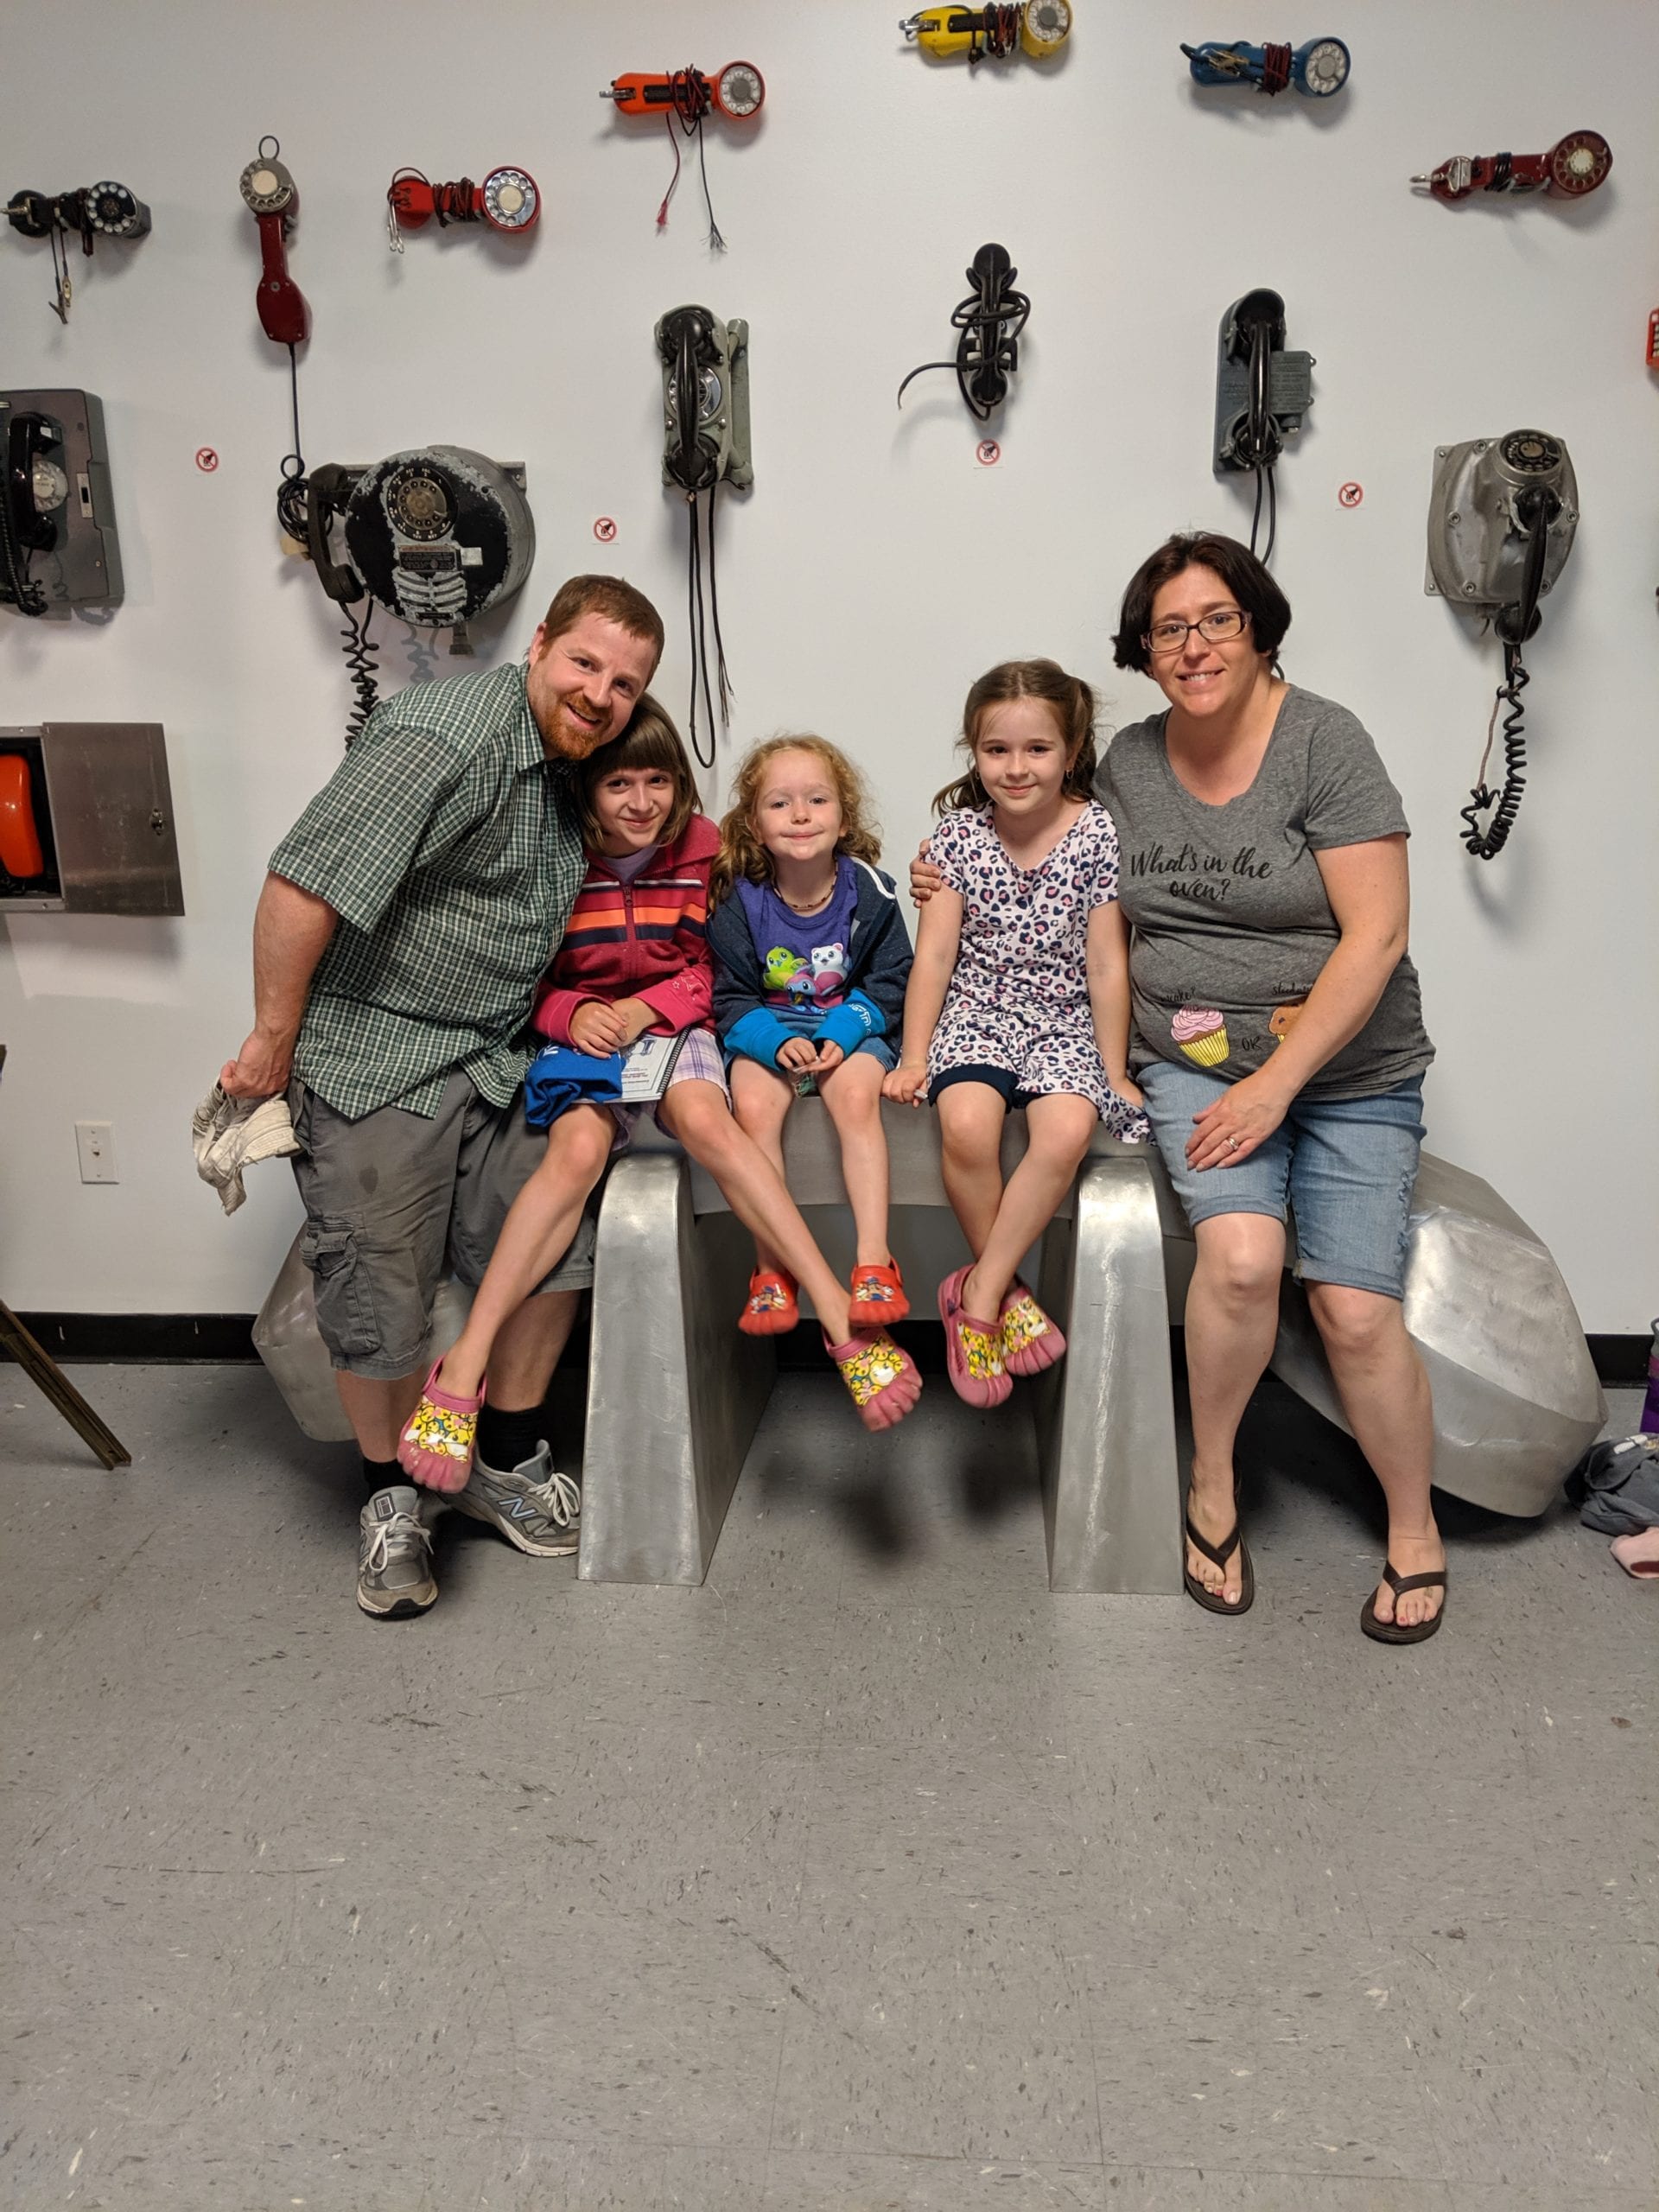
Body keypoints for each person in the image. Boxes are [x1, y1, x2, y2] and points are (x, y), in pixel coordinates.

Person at [911, 547, 1447, 1643]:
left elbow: (1380, 933)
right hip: (1193, 1065)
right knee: (1243, 1263)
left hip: (1344, 1071)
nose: (1195, 647)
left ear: (1259, 628)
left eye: (1218, 620)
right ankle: (1213, 1487)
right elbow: (1033, 818)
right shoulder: (1128, 765)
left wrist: (1276, 1087)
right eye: (1169, 629)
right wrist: (933, 871)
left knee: (1352, 1307)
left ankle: (1413, 1525)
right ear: (1142, 649)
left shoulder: (1325, 742)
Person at [220, 575, 664, 1620]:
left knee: (556, 1230)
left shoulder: (571, 765)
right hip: (380, 1052)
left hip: (495, 1054)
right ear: (540, 643)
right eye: (586, 663)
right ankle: (389, 1499)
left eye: (626, 683)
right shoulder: (444, 736)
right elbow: (302, 884)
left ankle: (504, 1457)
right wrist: (271, 1042)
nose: (602, 694)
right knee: (379, 1279)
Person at [397, 706, 921, 1481]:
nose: (640, 802)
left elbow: (720, 970)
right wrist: (572, 1012)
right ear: (587, 792)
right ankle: (466, 1361)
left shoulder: (705, 852)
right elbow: (518, 978)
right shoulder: (554, 861)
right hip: (582, 1040)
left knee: (712, 1123)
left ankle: (840, 1321)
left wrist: (651, 1007)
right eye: (618, 784)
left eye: (658, 782)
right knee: (574, 1154)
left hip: (672, 1031)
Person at [885, 662, 1148, 1408]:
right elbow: (935, 956)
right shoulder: (959, 838)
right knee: (966, 1126)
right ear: (973, 751)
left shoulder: (1099, 833)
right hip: (978, 1011)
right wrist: (913, 1056)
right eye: (996, 750)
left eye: (1037, 749)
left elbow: (1105, 962)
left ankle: (977, 1298)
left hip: (1063, 1015)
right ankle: (1008, 1295)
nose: (1016, 767)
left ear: (1071, 751)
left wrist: (1114, 1068)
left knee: (1063, 1131)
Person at [708, 737, 924, 1429]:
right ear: (754, 824)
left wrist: (844, 1033)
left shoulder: (873, 891)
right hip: (769, 1035)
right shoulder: (739, 903)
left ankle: (871, 1262)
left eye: (817, 799)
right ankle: (771, 1270)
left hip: (848, 1034)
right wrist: (778, 1041)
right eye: (780, 802)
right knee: (752, 1105)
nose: (800, 814)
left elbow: (892, 982)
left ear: (843, 811)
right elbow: (731, 996)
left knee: (855, 1096)